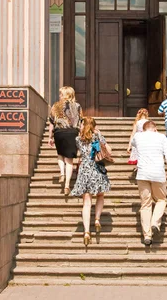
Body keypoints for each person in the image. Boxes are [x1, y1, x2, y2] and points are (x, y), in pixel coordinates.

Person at [131, 120, 167, 246]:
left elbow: (133, 143)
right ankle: (155, 222)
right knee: (161, 200)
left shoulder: (138, 136)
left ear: (144, 129)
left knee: (145, 204)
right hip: (158, 174)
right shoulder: (161, 137)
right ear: (155, 128)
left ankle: (147, 235)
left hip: (142, 174)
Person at [71, 117, 111, 246]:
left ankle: (87, 232)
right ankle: (97, 219)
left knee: (86, 203)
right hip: (97, 168)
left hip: (85, 170)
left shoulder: (78, 139)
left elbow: (80, 153)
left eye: (82, 124)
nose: (80, 126)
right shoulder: (97, 137)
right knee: (100, 195)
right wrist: (99, 134)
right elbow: (109, 151)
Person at [48, 86, 83, 196]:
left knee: (60, 155)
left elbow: (51, 123)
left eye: (61, 94)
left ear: (65, 94)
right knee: (69, 161)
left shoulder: (55, 106)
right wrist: (82, 135)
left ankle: (62, 173)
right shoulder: (77, 106)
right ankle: (67, 185)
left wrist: (50, 137)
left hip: (59, 133)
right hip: (72, 133)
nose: (59, 96)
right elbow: (81, 123)